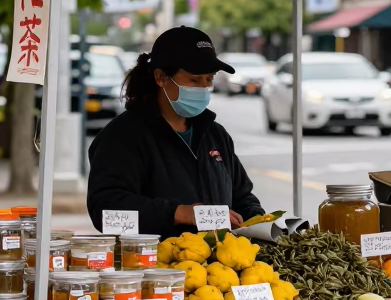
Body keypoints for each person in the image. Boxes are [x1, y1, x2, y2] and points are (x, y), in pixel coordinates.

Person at [87, 26, 266, 238]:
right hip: (152, 265)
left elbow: (242, 196)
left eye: (209, 79)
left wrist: (259, 221)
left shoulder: (215, 134)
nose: (203, 87)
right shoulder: (123, 136)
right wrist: (179, 213)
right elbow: (105, 213)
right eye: (194, 79)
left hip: (218, 267)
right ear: (161, 77)